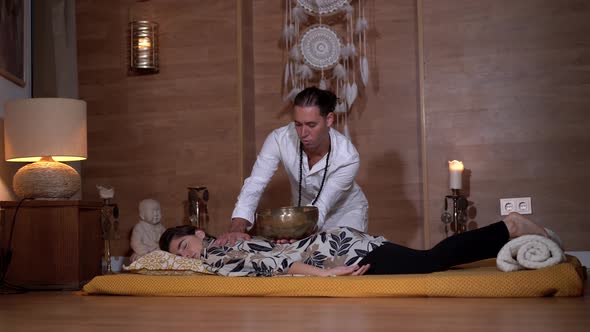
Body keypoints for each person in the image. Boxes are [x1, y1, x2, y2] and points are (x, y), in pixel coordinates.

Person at [159, 212, 551, 277]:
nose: (186, 255)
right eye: (178, 255)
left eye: (183, 246)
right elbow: (273, 261)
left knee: (427, 262)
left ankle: (509, 226)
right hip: (335, 245)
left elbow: (276, 265)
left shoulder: (217, 252)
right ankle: (508, 231)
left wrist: (325, 275)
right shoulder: (220, 254)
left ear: (196, 233)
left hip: (339, 250)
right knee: (424, 261)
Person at [215, 87, 368, 246]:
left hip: (344, 213)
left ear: (329, 119)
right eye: (298, 124)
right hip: (302, 216)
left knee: (341, 259)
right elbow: (256, 182)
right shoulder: (279, 139)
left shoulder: (347, 158)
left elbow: (322, 206)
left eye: (311, 124)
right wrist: (238, 225)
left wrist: (299, 233)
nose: (303, 133)